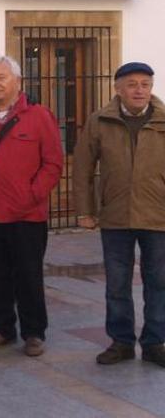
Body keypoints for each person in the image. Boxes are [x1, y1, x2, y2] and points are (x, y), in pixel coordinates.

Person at [0, 56, 63, 357]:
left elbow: (53, 163)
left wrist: (32, 194)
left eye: (1, 77)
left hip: (27, 215)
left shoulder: (39, 116)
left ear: (18, 81)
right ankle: (2, 327)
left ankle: (34, 332)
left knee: (29, 275)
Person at [74, 61, 165, 368]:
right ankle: (121, 342)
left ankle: (155, 342)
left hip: (159, 216)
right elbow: (83, 168)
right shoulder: (100, 120)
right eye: (132, 84)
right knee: (117, 283)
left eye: (145, 84)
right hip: (115, 216)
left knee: (159, 282)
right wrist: (85, 211)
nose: (139, 90)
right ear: (118, 88)